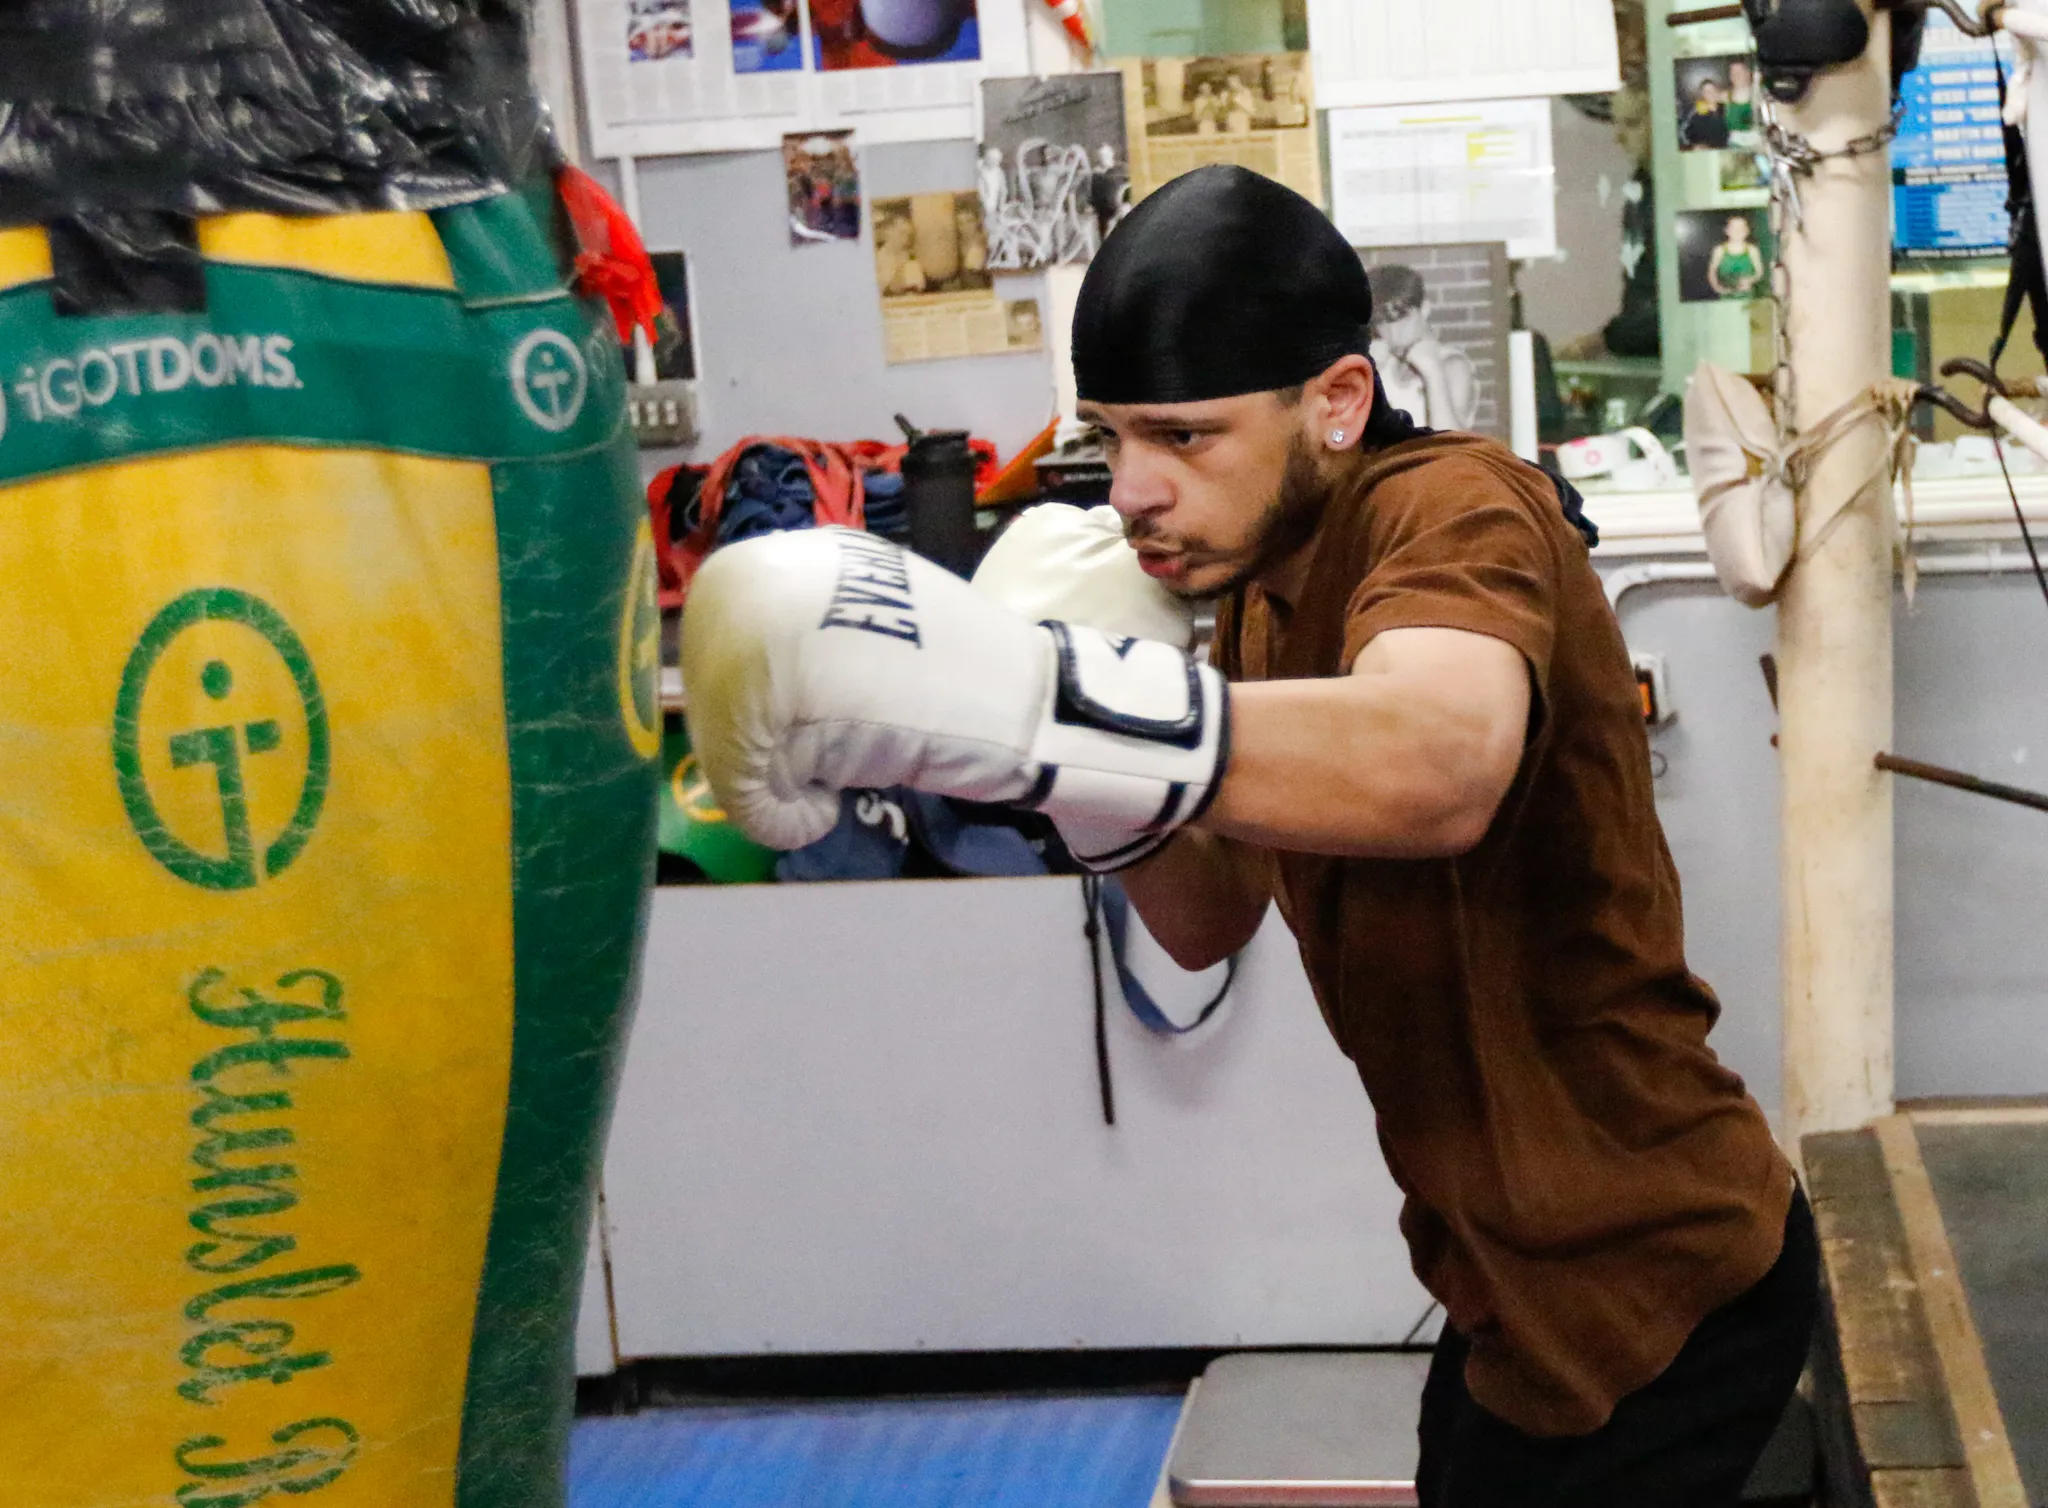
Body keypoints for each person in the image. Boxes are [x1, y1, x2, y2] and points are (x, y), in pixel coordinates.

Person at [681, 164, 1813, 1508]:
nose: (1131, 495)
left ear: (1335, 402)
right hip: (1505, 1284)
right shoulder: (1264, 592)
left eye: (1185, 437)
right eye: (1112, 440)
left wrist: (1038, 697)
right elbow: (1205, 915)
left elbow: (1439, 762)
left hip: (1656, 1279)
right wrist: (1068, 770)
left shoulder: (1452, 510)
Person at [1367, 264, 1478, 430]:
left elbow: (1450, 445)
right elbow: (1341, 436)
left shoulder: (1452, 364)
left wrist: (1433, 373)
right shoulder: (1381, 362)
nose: (1392, 333)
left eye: (1402, 320)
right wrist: (1366, 378)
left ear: (1424, 309)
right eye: (1382, 322)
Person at [1707, 214, 1763, 298]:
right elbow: (1711, 272)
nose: (1737, 231)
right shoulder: (1719, 250)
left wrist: (1750, 280)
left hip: (1747, 295)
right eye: (1733, 228)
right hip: (1726, 294)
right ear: (1726, 230)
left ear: (1747, 231)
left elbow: (1759, 272)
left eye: (1741, 228)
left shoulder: (1752, 250)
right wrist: (1716, 287)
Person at [1682, 77, 1731, 150]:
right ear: (1702, 95)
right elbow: (1686, 134)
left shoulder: (1727, 108)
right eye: (1707, 91)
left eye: (1713, 90)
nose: (1711, 94)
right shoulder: (1697, 113)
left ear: (1718, 91)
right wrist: (1694, 145)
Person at [1725, 59, 1757, 138]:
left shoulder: (1761, 92)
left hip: (1758, 141)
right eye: (1733, 73)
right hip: (1735, 143)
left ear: (1748, 73)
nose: (1736, 75)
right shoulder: (1725, 96)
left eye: (1740, 72)